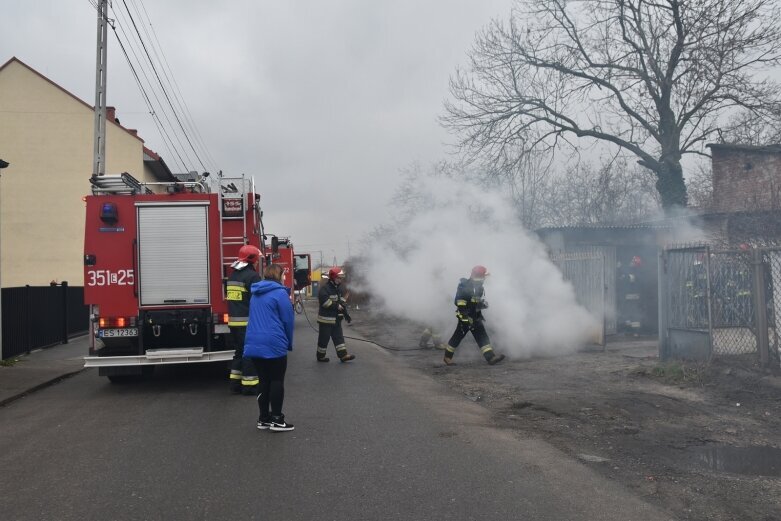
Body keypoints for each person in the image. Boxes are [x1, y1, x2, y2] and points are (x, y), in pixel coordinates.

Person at [244, 264, 296, 432]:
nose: (284, 278)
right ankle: (277, 419)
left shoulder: (255, 294)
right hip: (273, 343)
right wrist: (288, 342)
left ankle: (263, 418)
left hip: (254, 343)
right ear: (278, 276)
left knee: (263, 380)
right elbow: (288, 321)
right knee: (276, 380)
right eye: (283, 275)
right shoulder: (280, 293)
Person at [443, 265, 505, 366]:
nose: (484, 278)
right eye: (483, 276)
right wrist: (465, 315)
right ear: (479, 276)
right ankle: (447, 357)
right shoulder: (464, 285)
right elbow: (459, 301)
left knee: (482, 336)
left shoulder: (479, 287)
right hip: (465, 318)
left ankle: (491, 357)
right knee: (457, 337)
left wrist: (482, 304)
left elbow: (475, 301)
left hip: (475, 316)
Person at [226, 245, 262, 395]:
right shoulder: (252, 277)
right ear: (252, 259)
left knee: (239, 352)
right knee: (249, 353)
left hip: (234, 322)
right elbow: (258, 300)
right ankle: (249, 386)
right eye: (257, 259)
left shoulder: (234, 275)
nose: (258, 262)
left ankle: (235, 384)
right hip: (247, 322)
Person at [316, 267, 356, 362]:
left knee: (339, 338)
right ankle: (320, 356)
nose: (340, 280)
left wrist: (346, 315)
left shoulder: (338, 289)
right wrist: (336, 306)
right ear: (333, 277)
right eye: (338, 278)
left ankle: (343, 356)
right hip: (326, 320)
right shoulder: (325, 289)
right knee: (323, 340)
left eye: (341, 278)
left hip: (336, 320)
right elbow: (325, 302)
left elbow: (341, 303)